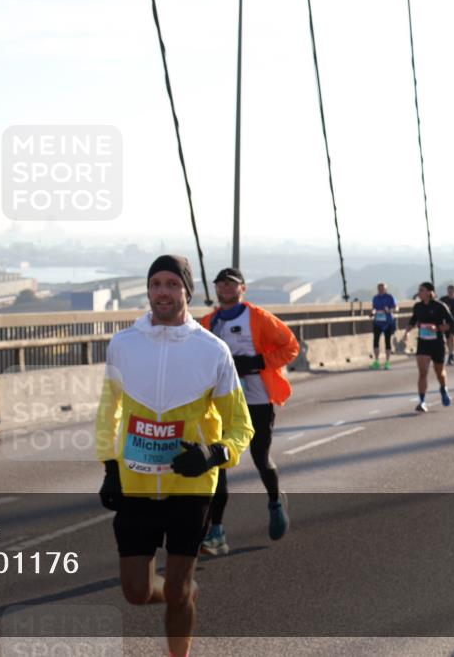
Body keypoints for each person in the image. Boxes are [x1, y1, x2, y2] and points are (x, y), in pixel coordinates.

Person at [95, 255, 253, 657]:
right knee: (136, 592)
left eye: (171, 284)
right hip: (136, 484)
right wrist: (109, 467)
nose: (162, 292)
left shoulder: (213, 350)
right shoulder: (122, 345)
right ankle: (185, 593)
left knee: (178, 584)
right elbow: (108, 412)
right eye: (155, 284)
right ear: (148, 291)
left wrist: (213, 453)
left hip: (192, 485)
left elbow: (241, 426)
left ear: (187, 291)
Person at [198, 268, 299, 555]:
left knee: (260, 457)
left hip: (257, 400)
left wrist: (258, 362)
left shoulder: (258, 317)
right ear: (216, 290)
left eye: (231, 284)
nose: (226, 288)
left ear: (242, 289)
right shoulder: (208, 322)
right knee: (219, 463)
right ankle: (216, 532)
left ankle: (275, 500)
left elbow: (290, 346)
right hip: (222, 403)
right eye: (221, 284)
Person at [402, 282, 454, 412]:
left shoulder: (439, 306)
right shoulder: (418, 306)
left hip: (437, 343)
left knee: (439, 373)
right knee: (423, 373)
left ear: (429, 292)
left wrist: (436, 328)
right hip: (423, 343)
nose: (419, 292)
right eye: (419, 290)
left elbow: (451, 324)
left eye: (422, 290)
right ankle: (422, 401)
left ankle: (443, 388)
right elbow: (413, 321)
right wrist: (407, 332)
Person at [369, 282, 398, 370]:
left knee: (387, 342)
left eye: (382, 288)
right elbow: (374, 308)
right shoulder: (375, 298)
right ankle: (376, 361)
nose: (381, 290)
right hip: (377, 322)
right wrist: (372, 313)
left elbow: (396, 308)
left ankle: (387, 362)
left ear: (386, 289)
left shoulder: (390, 297)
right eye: (379, 288)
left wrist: (389, 310)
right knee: (375, 341)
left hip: (387, 323)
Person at [439, 285, 454, 365]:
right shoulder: (443, 299)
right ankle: (451, 353)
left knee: (451, 337)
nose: (450, 292)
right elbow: (437, 305)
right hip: (446, 321)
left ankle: (451, 355)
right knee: (448, 339)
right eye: (449, 291)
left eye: (452, 291)